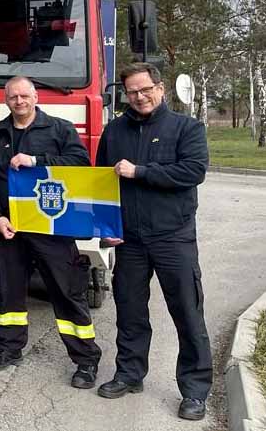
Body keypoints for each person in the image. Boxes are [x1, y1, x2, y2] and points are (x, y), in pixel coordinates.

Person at [95, 62, 212, 421]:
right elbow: (102, 182)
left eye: (146, 89)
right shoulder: (114, 131)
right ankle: (129, 374)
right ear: (126, 95)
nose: (140, 97)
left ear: (160, 88)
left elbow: (193, 171)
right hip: (128, 239)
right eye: (132, 92)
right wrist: (104, 227)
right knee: (130, 311)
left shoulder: (186, 128)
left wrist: (140, 171)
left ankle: (194, 390)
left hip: (172, 237)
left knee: (187, 313)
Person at [0, 76, 102, 388]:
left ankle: (85, 360)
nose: (19, 102)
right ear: (6, 101)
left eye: (24, 96)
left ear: (35, 97)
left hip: (51, 228)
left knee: (66, 292)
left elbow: (79, 163)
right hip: (10, 229)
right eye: (13, 97)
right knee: (8, 292)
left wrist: (36, 160)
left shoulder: (59, 129)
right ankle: (8, 348)